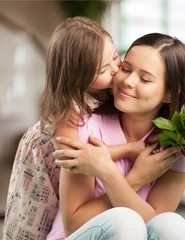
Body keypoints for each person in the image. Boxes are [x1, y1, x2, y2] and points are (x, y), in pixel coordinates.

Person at [3, 17, 175, 240]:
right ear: (80, 78)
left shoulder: (107, 95)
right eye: (104, 69)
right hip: (42, 188)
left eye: (115, 57)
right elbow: (79, 156)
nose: (116, 71)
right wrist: (129, 150)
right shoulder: (68, 111)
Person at [48, 33, 185, 239]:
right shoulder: (83, 127)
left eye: (144, 79)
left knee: (173, 226)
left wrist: (108, 172)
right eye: (125, 68)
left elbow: (155, 228)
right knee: (125, 222)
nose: (128, 81)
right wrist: (136, 179)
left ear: (170, 93)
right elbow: (73, 225)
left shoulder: (175, 147)